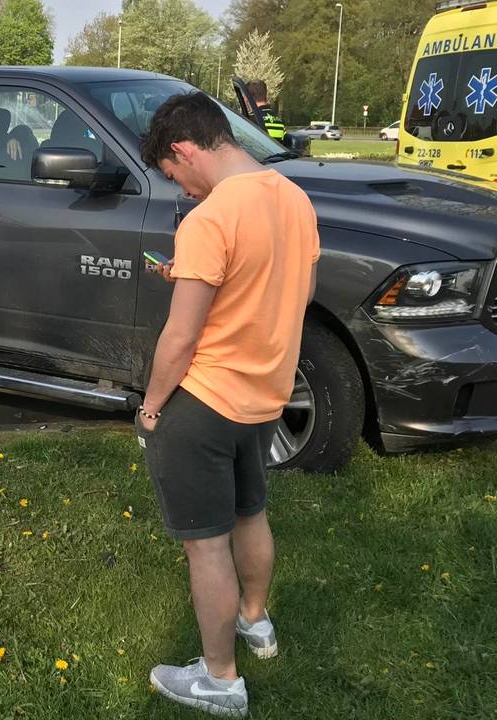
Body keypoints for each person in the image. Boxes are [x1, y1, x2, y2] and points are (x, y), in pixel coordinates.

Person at [135, 92, 319, 718]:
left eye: (172, 174)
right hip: (264, 397)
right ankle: (256, 622)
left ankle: (219, 680)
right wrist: (190, 275)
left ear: (183, 150)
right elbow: (289, 289)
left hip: (205, 401)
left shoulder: (209, 220)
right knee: (250, 511)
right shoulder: (293, 198)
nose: (180, 189)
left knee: (205, 545)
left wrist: (152, 407)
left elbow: (181, 338)